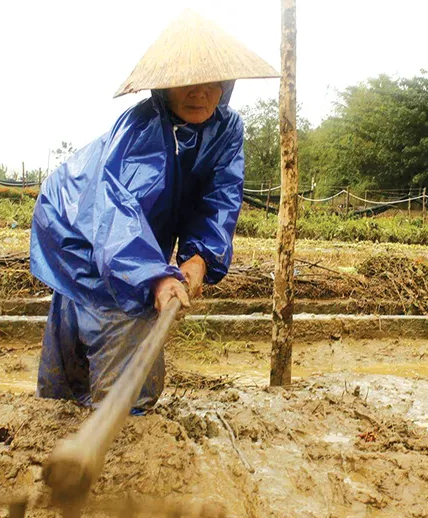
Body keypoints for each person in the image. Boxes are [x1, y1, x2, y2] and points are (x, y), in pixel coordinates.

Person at [29, 10, 277, 414]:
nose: (199, 94)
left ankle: (79, 407)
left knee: (119, 294)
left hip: (122, 232)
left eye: (211, 83)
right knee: (124, 306)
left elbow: (219, 197)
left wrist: (200, 257)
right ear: (164, 86)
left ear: (227, 84)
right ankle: (102, 413)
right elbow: (117, 217)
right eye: (187, 83)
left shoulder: (227, 129)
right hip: (74, 220)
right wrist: (154, 277)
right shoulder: (142, 128)